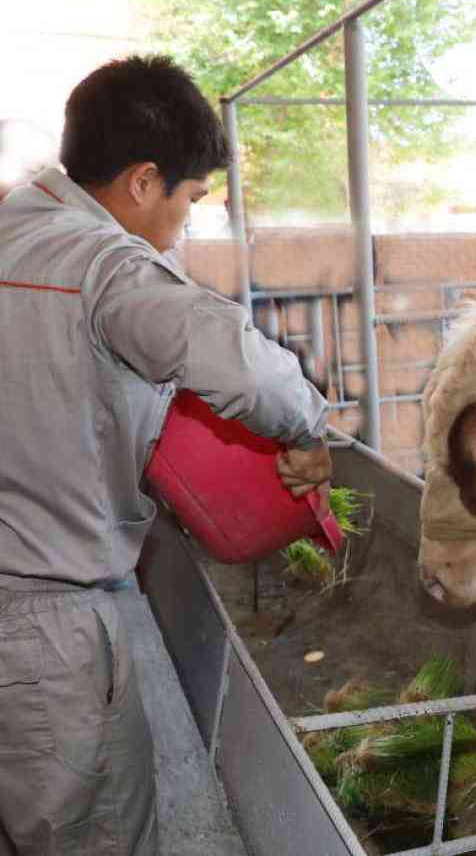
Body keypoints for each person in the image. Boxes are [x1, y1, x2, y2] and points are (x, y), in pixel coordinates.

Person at [0, 55, 331, 855]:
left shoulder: (15, 224)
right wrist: (308, 426)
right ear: (143, 181)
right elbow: (230, 357)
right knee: (93, 836)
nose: (186, 222)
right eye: (188, 199)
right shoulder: (101, 265)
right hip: (43, 621)